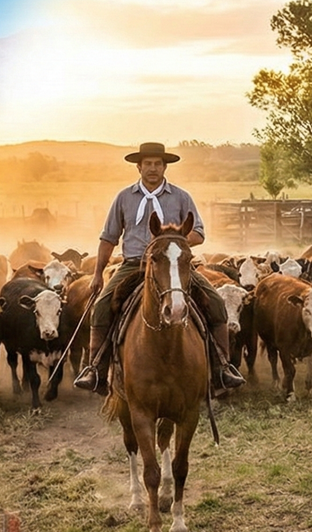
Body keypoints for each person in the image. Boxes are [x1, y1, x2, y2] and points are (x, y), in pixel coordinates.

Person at [72, 142, 246, 396]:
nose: (152, 168)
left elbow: (198, 233)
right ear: (139, 167)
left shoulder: (181, 197)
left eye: (157, 164)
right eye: (148, 164)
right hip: (134, 264)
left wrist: (172, 242)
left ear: (165, 167)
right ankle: (96, 370)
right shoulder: (124, 197)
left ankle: (222, 368)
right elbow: (109, 238)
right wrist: (98, 273)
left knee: (216, 303)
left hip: (173, 264)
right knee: (101, 307)